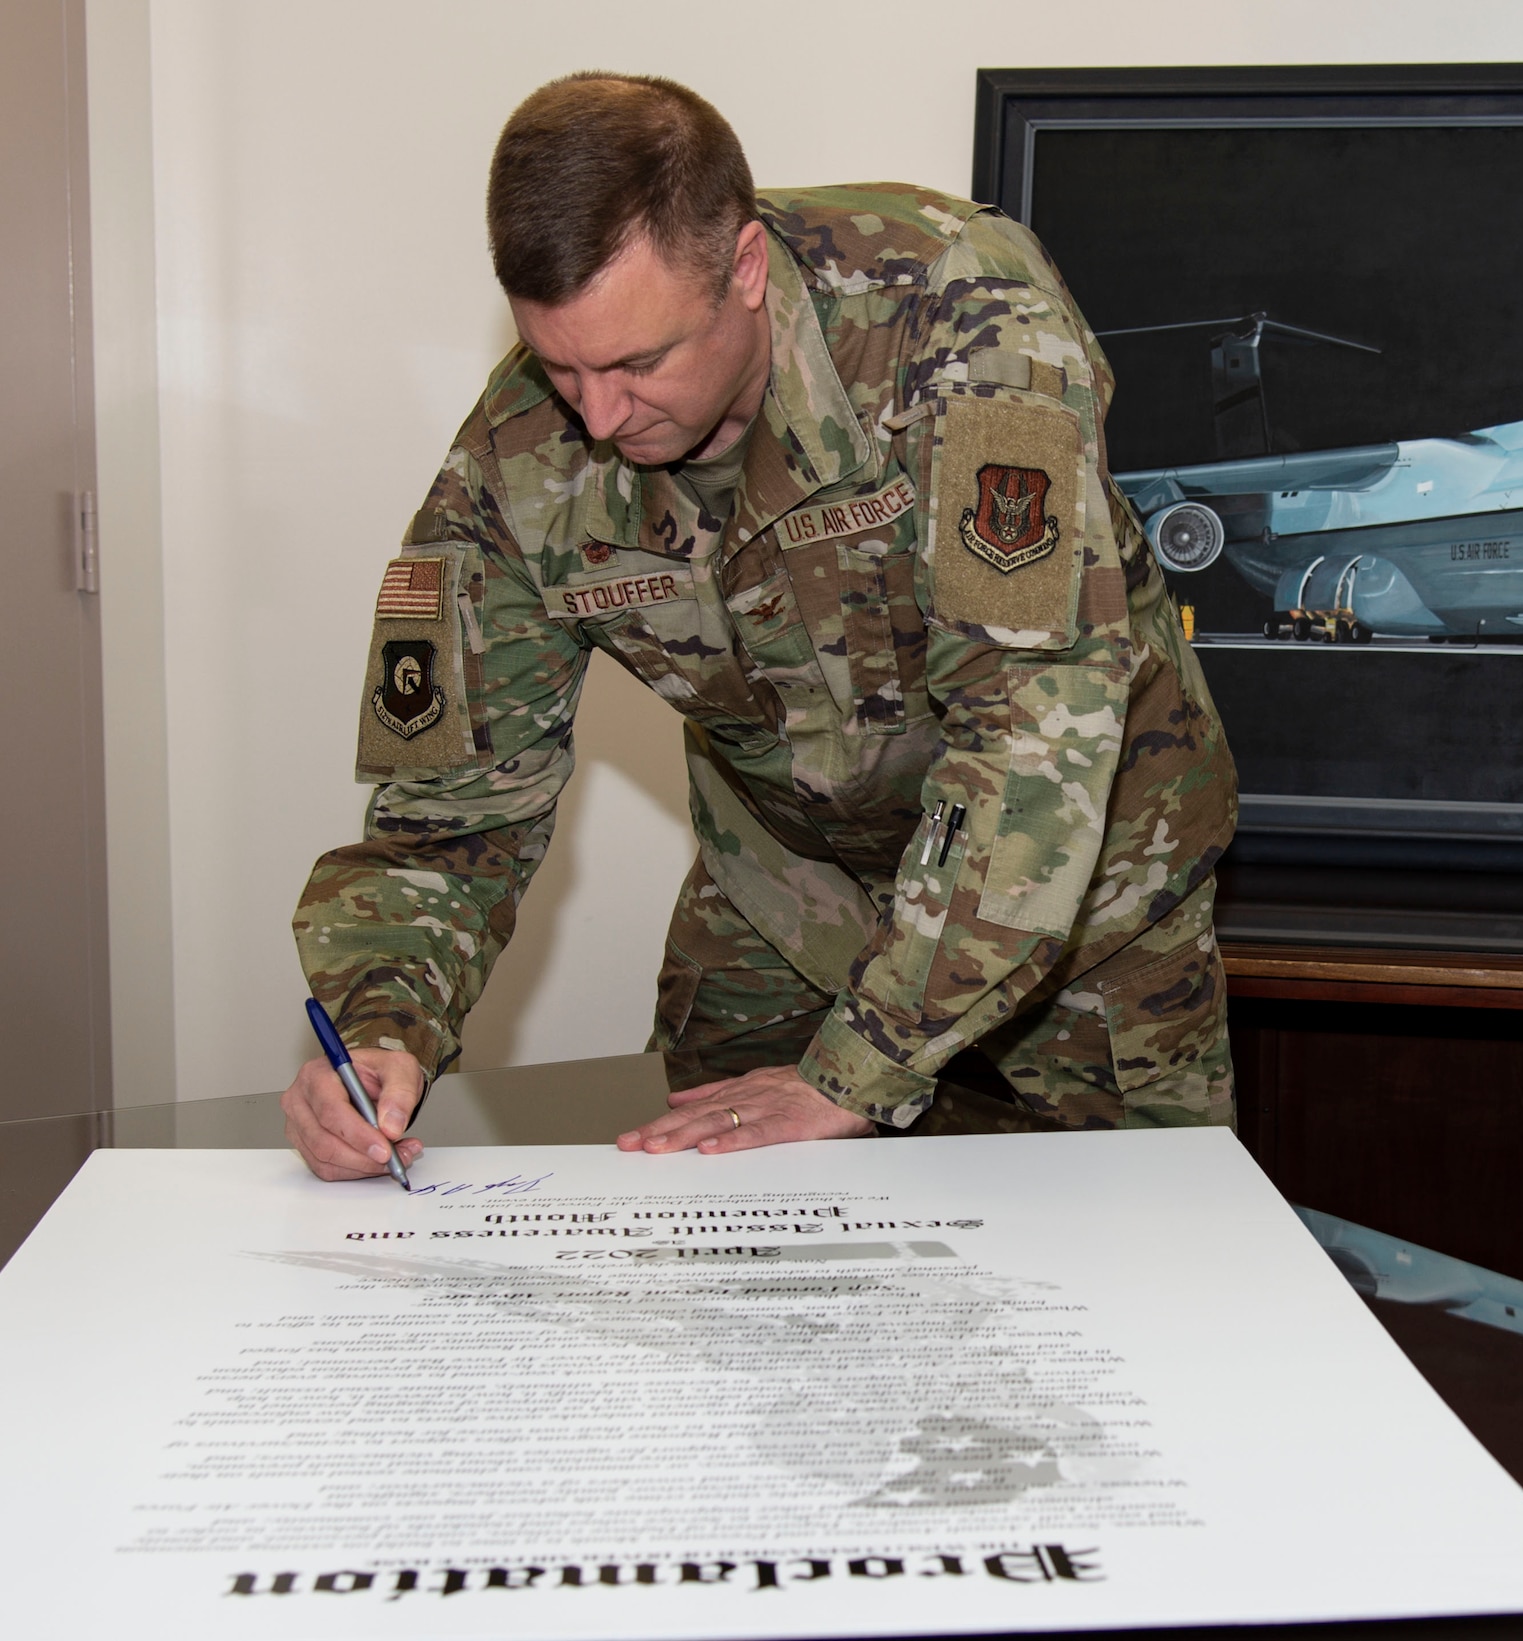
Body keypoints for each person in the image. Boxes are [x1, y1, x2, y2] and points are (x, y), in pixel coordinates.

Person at [282, 72, 1236, 1181]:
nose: (597, 415)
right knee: (700, 1241)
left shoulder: (957, 314)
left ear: (743, 270)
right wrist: (380, 1028)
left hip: (1080, 889)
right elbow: (447, 813)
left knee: (1139, 1262)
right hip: (790, 886)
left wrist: (858, 1072)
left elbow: (1034, 739)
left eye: (638, 362)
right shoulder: (515, 460)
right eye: (560, 364)